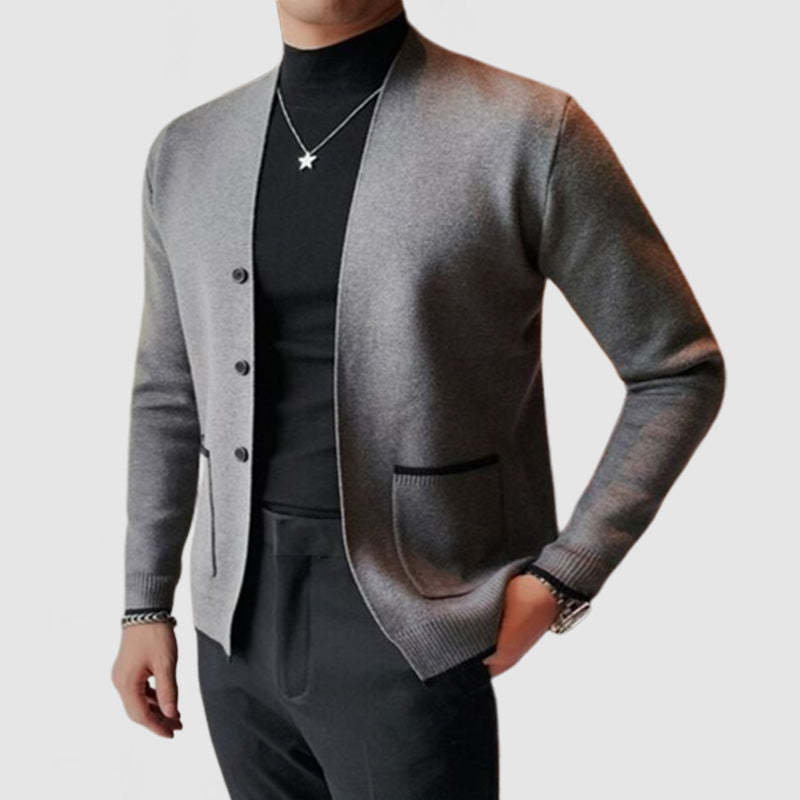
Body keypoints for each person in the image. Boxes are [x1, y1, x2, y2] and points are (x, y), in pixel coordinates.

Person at [111, 2, 726, 797]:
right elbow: (168, 393)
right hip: (233, 624)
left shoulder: (527, 132)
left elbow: (678, 370)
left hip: (412, 617)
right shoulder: (188, 151)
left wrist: (564, 576)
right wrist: (144, 607)